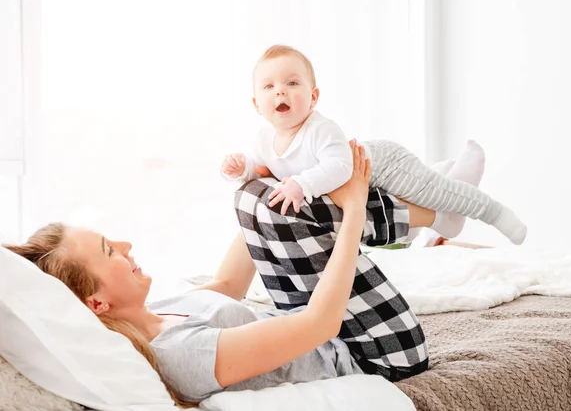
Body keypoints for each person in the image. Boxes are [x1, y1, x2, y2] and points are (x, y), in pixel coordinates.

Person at [3, 142, 445, 407]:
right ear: (97, 304)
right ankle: (438, 211)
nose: (126, 247)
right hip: (378, 354)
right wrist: (350, 208)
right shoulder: (180, 357)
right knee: (274, 196)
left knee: (263, 194)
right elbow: (320, 325)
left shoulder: (158, 311)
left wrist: (274, 178)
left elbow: (231, 286)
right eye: (109, 251)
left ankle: (435, 213)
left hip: (332, 330)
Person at [221, 45, 527, 244]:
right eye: (269, 86)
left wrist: (301, 185)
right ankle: (445, 184)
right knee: (397, 224)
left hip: (382, 165)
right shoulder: (262, 138)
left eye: (292, 83)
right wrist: (241, 167)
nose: (280, 92)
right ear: (256, 104)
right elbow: (259, 165)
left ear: (313, 97)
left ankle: (494, 212)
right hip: (359, 188)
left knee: (439, 194)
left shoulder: (320, 129)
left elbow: (340, 167)